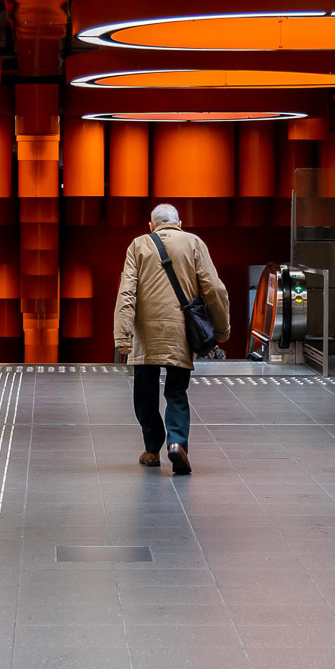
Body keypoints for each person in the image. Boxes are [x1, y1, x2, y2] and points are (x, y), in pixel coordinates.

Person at [113, 203, 230, 475]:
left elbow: (127, 291)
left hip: (145, 336)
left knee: (145, 393)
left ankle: (152, 450)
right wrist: (221, 330)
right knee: (176, 391)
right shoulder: (193, 242)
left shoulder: (138, 245)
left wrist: (123, 335)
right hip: (180, 333)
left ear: (151, 226)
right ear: (180, 224)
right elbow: (214, 288)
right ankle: (177, 444)